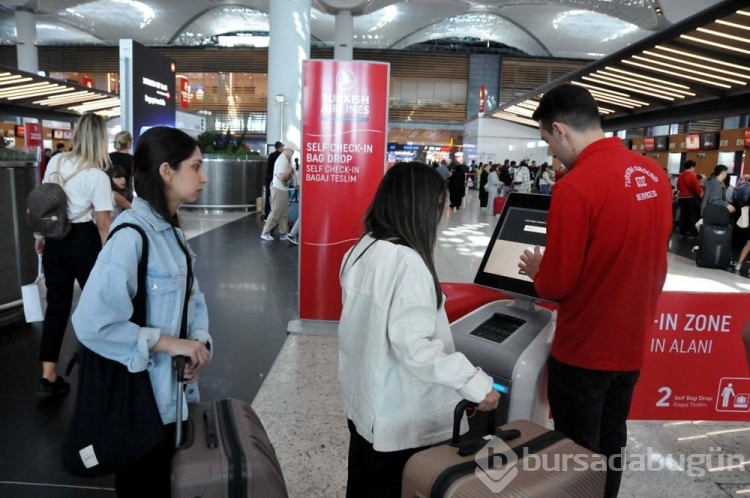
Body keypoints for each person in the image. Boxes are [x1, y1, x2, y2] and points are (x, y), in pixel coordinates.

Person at [519, 84, 672, 498]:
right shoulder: (653, 175)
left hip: (585, 349)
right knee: (611, 443)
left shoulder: (576, 186)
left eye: (548, 142)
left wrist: (538, 271)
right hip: (631, 344)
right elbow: (658, 262)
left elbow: (557, 283)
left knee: (575, 452)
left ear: (560, 129)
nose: (552, 153)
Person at [338, 162, 500, 498]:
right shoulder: (408, 263)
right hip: (394, 416)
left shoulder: (361, 249)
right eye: (439, 206)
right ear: (423, 208)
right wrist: (475, 384)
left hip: (364, 405)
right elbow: (417, 348)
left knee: (363, 483)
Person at [71, 126, 212, 496]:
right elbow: (91, 324)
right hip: (138, 403)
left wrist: (198, 342)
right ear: (167, 171)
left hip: (169, 398)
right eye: (195, 167)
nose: (204, 176)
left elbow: (192, 298)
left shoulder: (171, 232)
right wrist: (167, 344)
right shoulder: (132, 236)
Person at [35, 113, 113, 396]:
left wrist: (40, 236)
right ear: (101, 140)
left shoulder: (56, 161)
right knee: (97, 306)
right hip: (83, 240)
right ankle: (97, 368)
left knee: (56, 307)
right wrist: (110, 259)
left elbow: (44, 203)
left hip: (55, 240)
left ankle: (48, 375)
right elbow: (103, 223)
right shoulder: (96, 175)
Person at [261, 147, 294, 240]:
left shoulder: (284, 160)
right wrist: (289, 170)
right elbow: (282, 177)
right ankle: (265, 232)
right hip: (278, 188)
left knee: (284, 212)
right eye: (292, 150)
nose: (293, 152)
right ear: (287, 149)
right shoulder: (281, 160)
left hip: (283, 189)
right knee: (276, 211)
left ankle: (283, 232)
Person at [677, 160, 702, 237]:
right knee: (692, 215)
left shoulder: (680, 175)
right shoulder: (692, 175)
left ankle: (682, 232)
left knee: (683, 214)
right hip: (690, 198)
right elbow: (697, 188)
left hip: (681, 198)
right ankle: (692, 233)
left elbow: (678, 187)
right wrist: (700, 194)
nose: (694, 169)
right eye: (694, 167)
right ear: (691, 167)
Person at [109, 130, 134, 203]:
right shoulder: (131, 159)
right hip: (125, 195)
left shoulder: (109, 157)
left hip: (110, 193)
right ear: (129, 143)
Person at [264, 141, 284, 220]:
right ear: (280, 147)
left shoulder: (271, 155)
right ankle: (276, 215)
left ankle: (266, 214)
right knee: (277, 197)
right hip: (276, 179)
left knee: (268, 196)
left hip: (269, 178)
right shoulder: (281, 157)